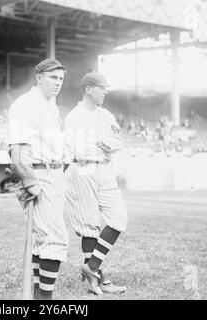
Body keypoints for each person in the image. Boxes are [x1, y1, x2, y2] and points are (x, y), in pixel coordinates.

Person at [8, 58, 68, 300]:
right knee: (54, 239)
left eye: (61, 78)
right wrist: (30, 181)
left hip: (53, 173)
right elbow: (18, 149)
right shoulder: (27, 103)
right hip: (39, 174)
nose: (58, 83)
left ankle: (36, 296)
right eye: (53, 77)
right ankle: (45, 300)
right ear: (39, 77)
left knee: (43, 239)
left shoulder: (50, 106)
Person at [63, 72, 128, 296]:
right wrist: (101, 145)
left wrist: (101, 144)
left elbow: (117, 141)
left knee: (119, 218)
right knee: (89, 225)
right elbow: (79, 151)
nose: (106, 92)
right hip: (83, 169)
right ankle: (99, 280)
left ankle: (91, 268)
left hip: (104, 170)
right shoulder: (74, 117)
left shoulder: (106, 114)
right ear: (89, 89)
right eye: (102, 88)